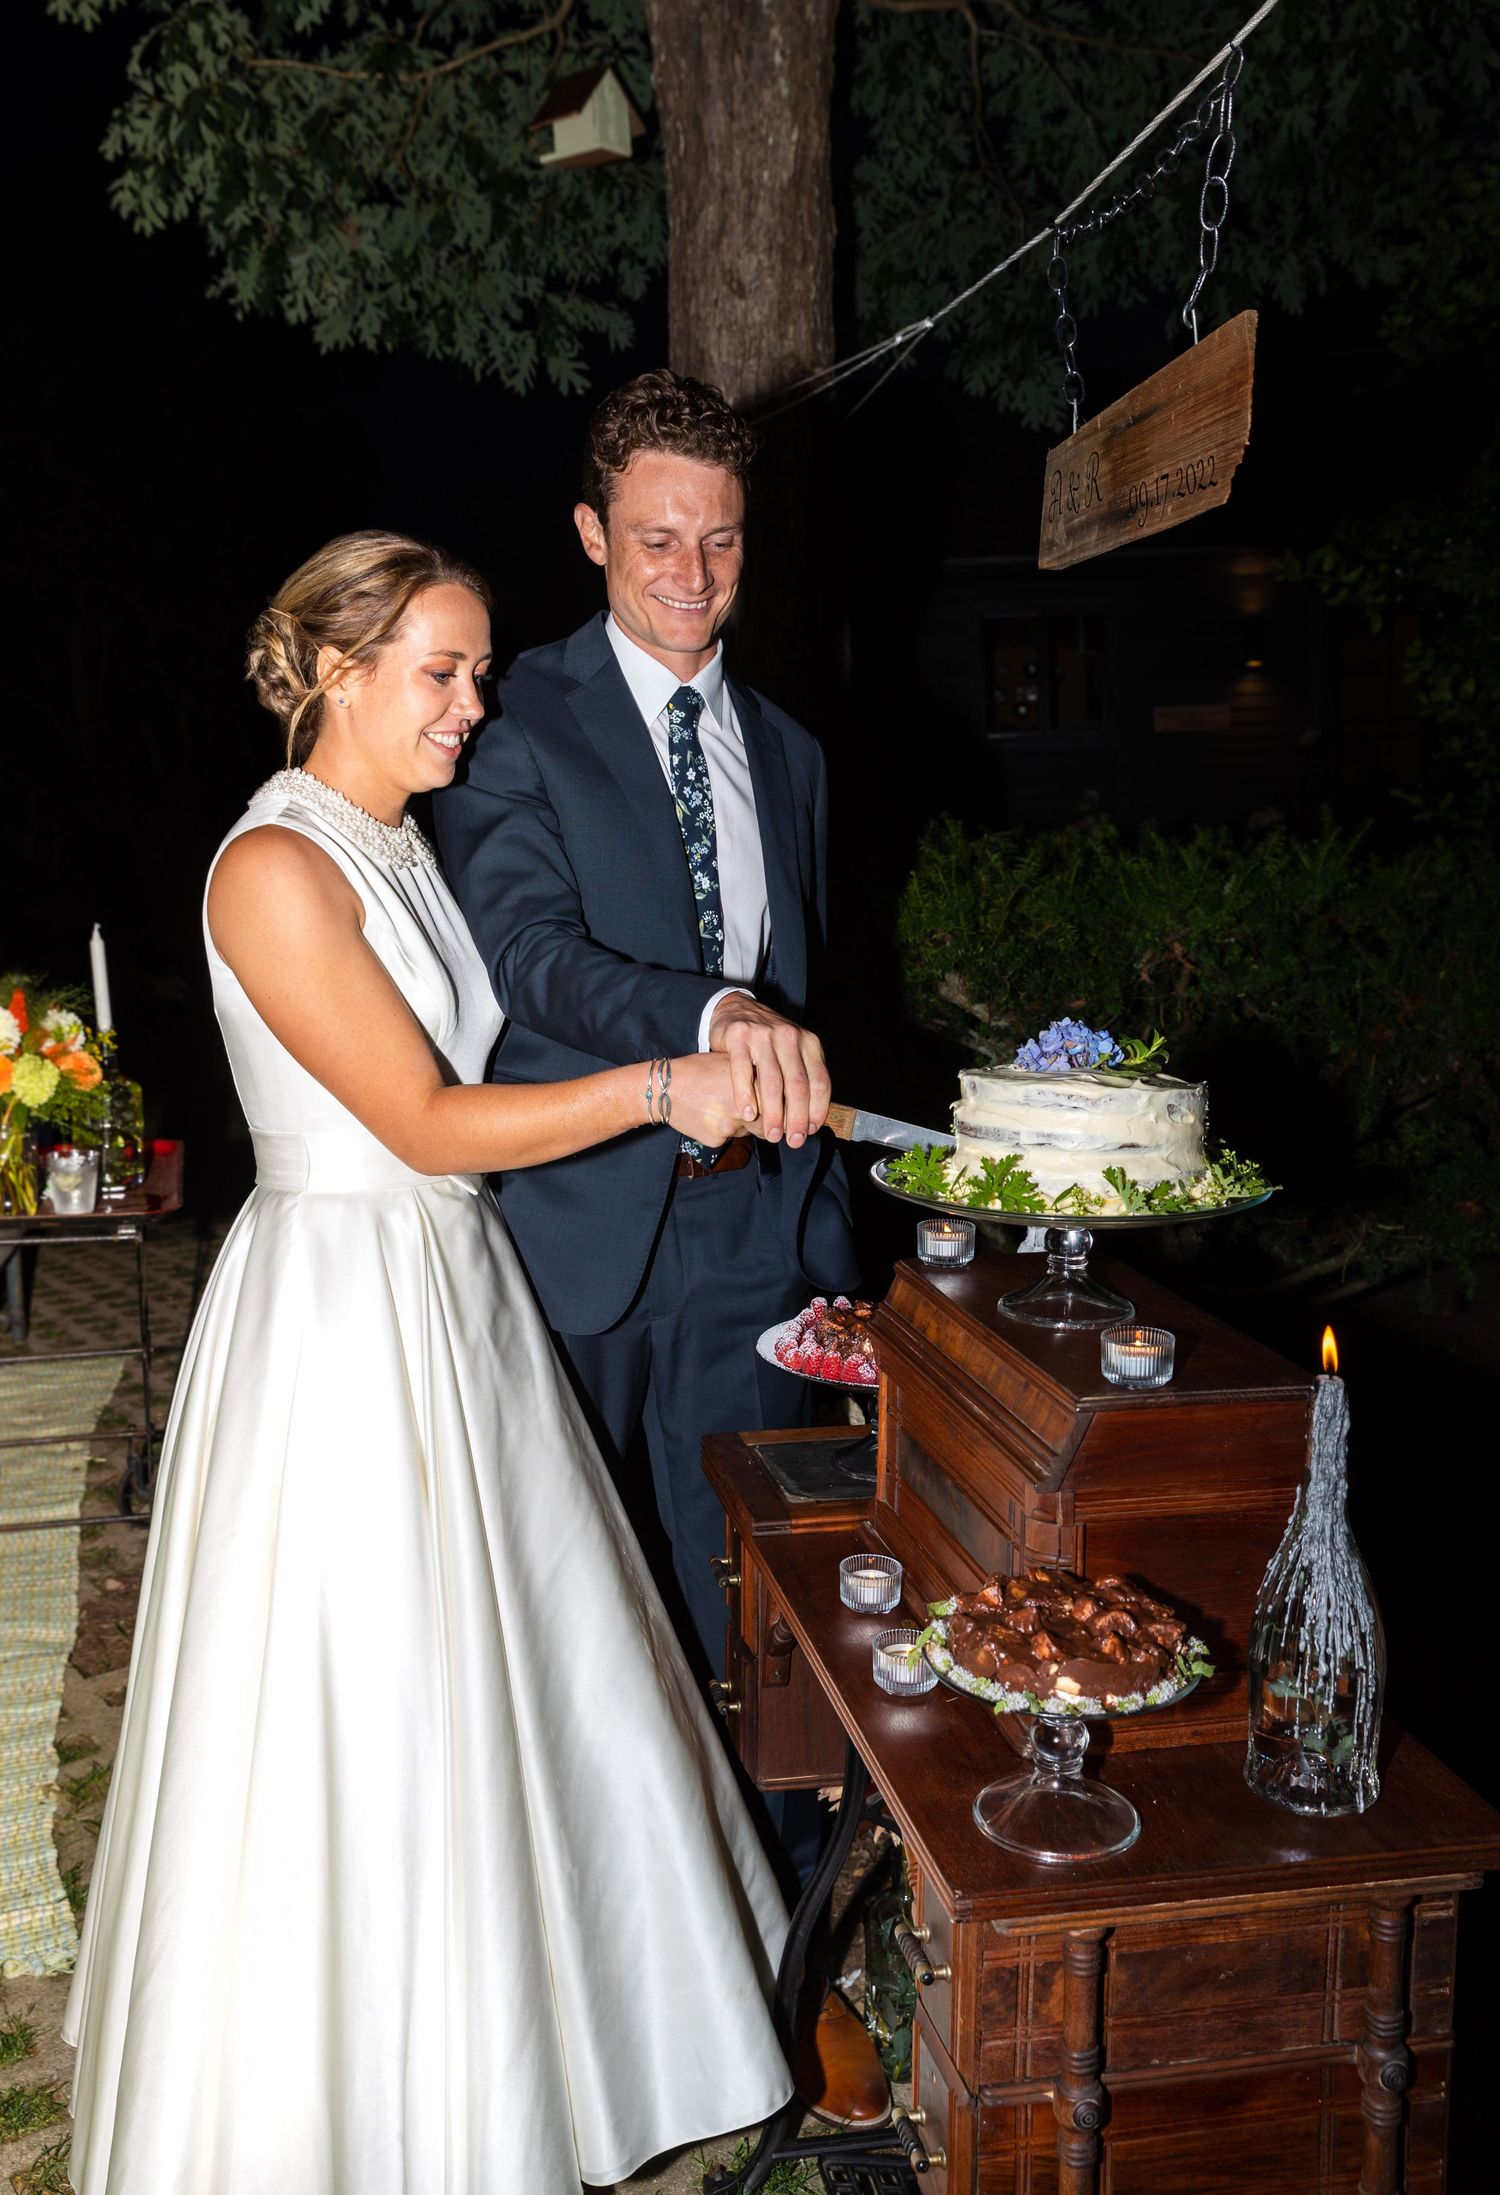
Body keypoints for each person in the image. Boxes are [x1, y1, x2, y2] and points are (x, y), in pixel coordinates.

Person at [62, 531, 795, 2195]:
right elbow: (419, 1120)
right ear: (334, 670)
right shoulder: (274, 870)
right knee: (363, 1699)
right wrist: (661, 1094)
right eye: (442, 674)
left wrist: (699, 1028)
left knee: (514, 1681)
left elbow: (510, 1027)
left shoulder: (401, 845)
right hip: (339, 1313)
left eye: (475, 672)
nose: (474, 707)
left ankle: (538, 2059)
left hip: (451, 1293)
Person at [434, 370, 860, 1692]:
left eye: (720, 538)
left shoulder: (792, 754)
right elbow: (528, 958)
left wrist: (830, 1235)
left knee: (764, 1604)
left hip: (757, 1242)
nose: (692, 570)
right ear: (591, 534)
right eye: (658, 538)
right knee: (577, 1612)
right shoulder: (510, 726)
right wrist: (710, 1012)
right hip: (579, 1234)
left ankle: (769, 1878)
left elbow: (817, 1001)